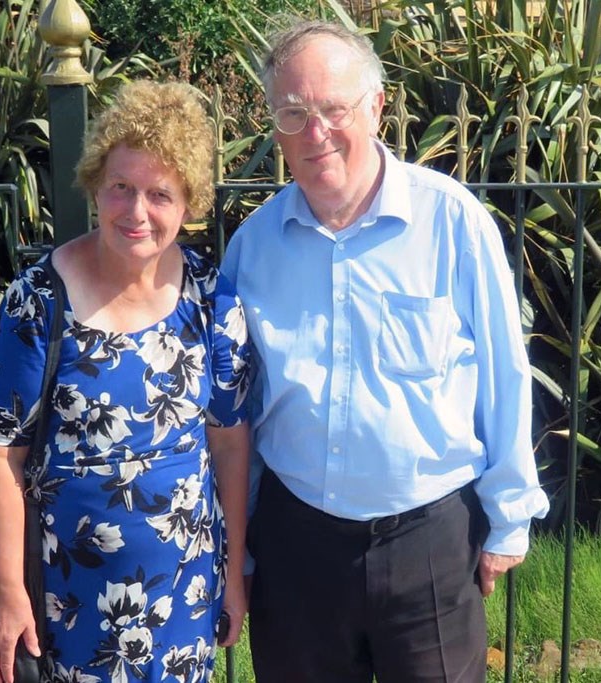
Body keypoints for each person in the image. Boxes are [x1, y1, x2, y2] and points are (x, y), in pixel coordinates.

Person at [220, 20, 549, 682]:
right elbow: (240, 410)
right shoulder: (252, 249)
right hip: (297, 548)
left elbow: (504, 374)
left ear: (375, 106)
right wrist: (242, 549)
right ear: (274, 126)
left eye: (333, 108)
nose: (315, 132)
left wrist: (509, 515)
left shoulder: (453, 222)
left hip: (429, 543)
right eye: (293, 112)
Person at [0, 80, 250, 683]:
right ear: (96, 182)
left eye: (160, 194)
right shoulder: (38, 300)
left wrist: (233, 573)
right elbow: (1, 455)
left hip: (186, 592)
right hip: (68, 600)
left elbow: (229, 441)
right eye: (121, 187)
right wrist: (5, 591)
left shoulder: (212, 298)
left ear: (188, 204)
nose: (137, 211)